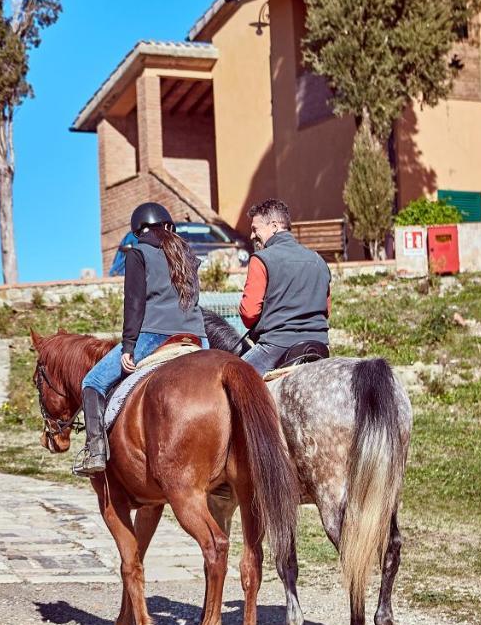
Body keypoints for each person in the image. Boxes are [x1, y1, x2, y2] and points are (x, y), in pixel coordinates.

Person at [72, 202, 208, 477]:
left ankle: (96, 452)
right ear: (169, 226)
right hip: (198, 338)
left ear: (138, 231)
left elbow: (134, 305)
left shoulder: (138, 253)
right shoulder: (187, 254)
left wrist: (129, 347)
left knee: (92, 382)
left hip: (154, 335)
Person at [239, 199, 331, 375]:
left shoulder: (261, 259)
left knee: (229, 380)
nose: (252, 236)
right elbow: (327, 310)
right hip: (319, 347)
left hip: (276, 346)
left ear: (274, 226)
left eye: (255, 229)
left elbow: (248, 314)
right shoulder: (318, 260)